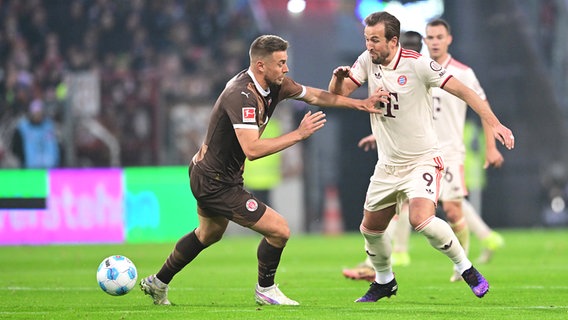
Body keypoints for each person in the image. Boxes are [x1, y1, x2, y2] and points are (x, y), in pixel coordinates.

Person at [139, 34, 387, 306]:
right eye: (280, 63)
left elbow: (316, 95)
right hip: (214, 181)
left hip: (215, 175)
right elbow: (252, 150)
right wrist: (298, 134)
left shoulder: (276, 85)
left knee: (208, 234)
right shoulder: (241, 95)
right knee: (279, 229)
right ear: (260, 66)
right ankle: (265, 289)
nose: (286, 68)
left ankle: (158, 282)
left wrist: (360, 104)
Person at [329, 11, 514, 302]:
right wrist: (337, 81)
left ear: (393, 41)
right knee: (371, 228)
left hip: (423, 159)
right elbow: (337, 96)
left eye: (375, 40)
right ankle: (384, 281)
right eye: (366, 39)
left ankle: (466, 268)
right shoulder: (366, 61)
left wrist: (495, 123)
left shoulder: (419, 65)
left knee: (421, 219)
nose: (369, 46)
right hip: (388, 164)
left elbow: (466, 92)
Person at [10, 99, 60, 168]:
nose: (37, 116)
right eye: (35, 113)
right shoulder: (23, 128)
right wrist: (22, 160)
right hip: (29, 168)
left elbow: (56, 146)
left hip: (49, 168)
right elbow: (16, 148)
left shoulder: (49, 127)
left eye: (39, 113)